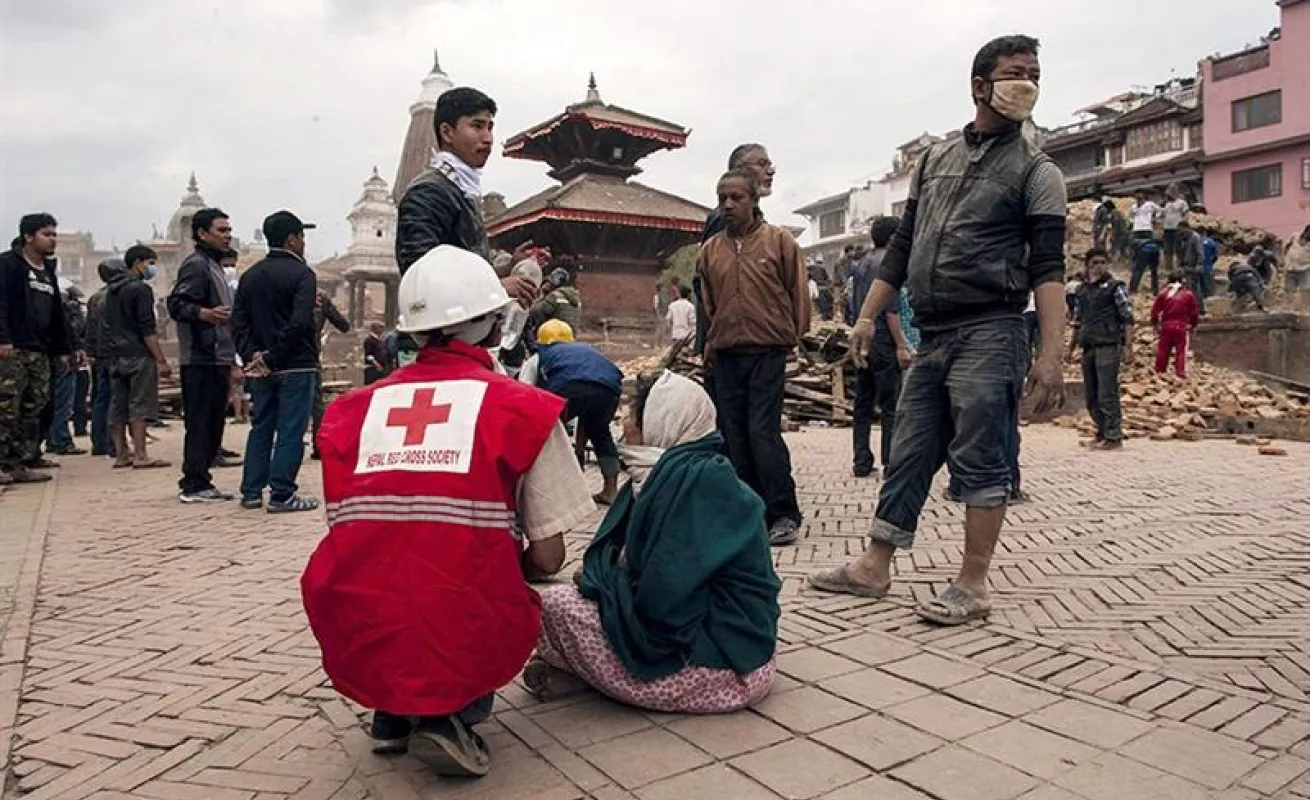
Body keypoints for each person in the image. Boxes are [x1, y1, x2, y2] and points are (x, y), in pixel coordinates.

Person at [301, 245, 593, 778]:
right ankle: (449, 714)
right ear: (490, 322)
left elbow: (354, 530)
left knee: (396, 569)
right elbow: (549, 555)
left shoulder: (349, 412)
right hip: (461, 614)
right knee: (485, 583)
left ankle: (392, 711)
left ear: (411, 330)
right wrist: (512, 570)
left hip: (357, 616)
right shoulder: (522, 409)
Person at [808, 35, 1067, 625]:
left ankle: (972, 584)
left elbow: (1049, 268)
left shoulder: (1037, 170)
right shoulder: (936, 160)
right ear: (980, 86)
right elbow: (902, 248)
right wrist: (868, 316)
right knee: (909, 450)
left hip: (993, 329)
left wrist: (1052, 355)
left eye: (1034, 74)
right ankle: (876, 565)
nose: (1026, 83)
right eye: (1013, 73)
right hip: (934, 334)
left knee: (982, 455)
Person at [524, 370, 781, 711]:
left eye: (632, 416)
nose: (624, 426)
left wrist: (603, 584)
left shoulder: (693, 482)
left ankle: (590, 676)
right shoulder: (676, 473)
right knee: (581, 598)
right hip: (749, 649)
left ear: (661, 420)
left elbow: (663, 607)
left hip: (724, 672)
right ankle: (581, 674)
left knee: (555, 605)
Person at [698, 169, 809, 546]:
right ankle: (749, 511)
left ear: (754, 200)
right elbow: (709, 305)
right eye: (722, 197)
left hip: (768, 351)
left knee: (763, 432)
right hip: (728, 353)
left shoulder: (780, 242)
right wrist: (714, 344)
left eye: (736, 198)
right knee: (733, 435)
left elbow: (798, 293)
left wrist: (794, 337)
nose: (727, 205)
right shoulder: (710, 251)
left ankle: (784, 512)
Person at [231, 211, 321, 513]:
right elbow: (299, 323)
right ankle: (282, 493)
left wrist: (254, 355)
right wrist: (274, 356)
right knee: (291, 429)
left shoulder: (250, 276)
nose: (304, 243)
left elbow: (238, 323)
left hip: (260, 365)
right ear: (291, 239)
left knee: (262, 426)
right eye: (301, 237)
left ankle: (252, 491)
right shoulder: (303, 275)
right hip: (296, 363)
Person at [167, 207, 241, 503]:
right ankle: (194, 483)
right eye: (220, 230)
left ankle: (202, 479)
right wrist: (205, 313)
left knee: (213, 422)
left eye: (228, 229)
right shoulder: (196, 265)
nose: (227, 235)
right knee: (200, 422)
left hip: (218, 356)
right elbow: (177, 304)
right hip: (200, 356)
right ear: (201, 233)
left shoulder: (215, 267)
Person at [0, 213, 76, 486]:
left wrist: (65, 348)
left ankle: (21, 460)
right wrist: (3, 338)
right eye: (47, 234)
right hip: (13, 349)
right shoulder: (8, 265)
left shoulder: (46, 270)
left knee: (35, 406)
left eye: (54, 234)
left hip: (40, 349)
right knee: (7, 406)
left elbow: (57, 314)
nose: (52, 239)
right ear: (28, 237)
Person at [521, 319, 623, 505]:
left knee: (551, 434)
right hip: (609, 388)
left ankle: (557, 490)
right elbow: (591, 384)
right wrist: (579, 448)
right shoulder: (586, 350)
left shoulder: (540, 356)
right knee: (600, 432)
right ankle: (610, 490)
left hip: (568, 388)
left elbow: (524, 390)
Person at [847, 216, 913, 479]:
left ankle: (861, 461)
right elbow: (891, 310)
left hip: (863, 340)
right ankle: (890, 462)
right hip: (884, 339)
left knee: (862, 403)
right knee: (890, 403)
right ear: (894, 237)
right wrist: (901, 345)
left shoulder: (860, 263)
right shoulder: (890, 264)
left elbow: (853, 302)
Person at [103, 244, 172, 469]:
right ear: (138, 263)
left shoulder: (110, 290)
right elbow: (147, 329)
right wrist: (161, 359)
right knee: (139, 405)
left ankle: (122, 453)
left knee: (118, 406)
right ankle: (141, 455)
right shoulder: (140, 289)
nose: (152, 269)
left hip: (115, 355)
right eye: (150, 264)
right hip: (138, 355)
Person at [1067, 248, 1133, 450]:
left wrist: (1129, 347)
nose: (1099, 266)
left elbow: (1128, 318)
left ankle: (1113, 436)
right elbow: (1077, 321)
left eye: (1103, 262)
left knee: (1107, 393)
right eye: (1095, 262)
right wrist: (1070, 348)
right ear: (1087, 265)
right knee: (1092, 395)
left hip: (1108, 345)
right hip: (1089, 346)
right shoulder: (1082, 291)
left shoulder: (1115, 287)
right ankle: (1101, 432)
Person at [85, 257, 124, 458]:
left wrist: (90, 351)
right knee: (115, 399)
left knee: (101, 398)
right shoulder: (116, 295)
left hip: (100, 355)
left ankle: (99, 442)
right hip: (115, 353)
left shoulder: (95, 298)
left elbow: (90, 329)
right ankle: (112, 443)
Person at [46, 282, 87, 456]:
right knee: (63, 402)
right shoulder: (62, 314)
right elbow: (73, 331)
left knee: (55, 402)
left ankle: (53, 440)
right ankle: (60, 441)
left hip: (54, 358)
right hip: (63, 359)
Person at [309, 288, 350, 460]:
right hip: (310, 355)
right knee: (316, 404)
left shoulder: (280, 290)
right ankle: (318, 446)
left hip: (277, 354)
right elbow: (343, 325)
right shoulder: (320, 296)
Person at [1151, 271, 1201, 379]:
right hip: (1181, 326)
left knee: (1163, 350)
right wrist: (1193, 325)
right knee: (1181, 350)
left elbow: (1155, 311)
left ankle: (1160, 372)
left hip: (1166, 326)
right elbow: (1194, 313)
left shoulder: (1163, 293)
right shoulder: (1188, 294)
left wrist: (1155, 324)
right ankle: (1180, 373)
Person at [1128, 192, 1161, 294]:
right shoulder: (1133, 207)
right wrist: (1132, 222)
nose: (1139, 200)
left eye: (1140, 198)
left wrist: (1154, 219)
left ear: (1144, 198)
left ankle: (1151, 288)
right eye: (1137, 199)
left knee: (1142, 264)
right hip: (1136, 229)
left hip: (1147, 229)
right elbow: (1130, 216)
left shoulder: (1150, 205)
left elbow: (1160, 210)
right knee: (1138, 256)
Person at [1176, 221, 1206, 316]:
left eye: (1182, 230)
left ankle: (1199, 309)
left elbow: (1200, 253)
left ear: (1187, 228)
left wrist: (1199, 264)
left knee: (1194, 289)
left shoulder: (1195, 238)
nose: (1181, 233)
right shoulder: (1184, 239)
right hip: (1186, 267)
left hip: (1193, 267)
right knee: (1187, 289)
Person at [1160, 188, 1189, 273]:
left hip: (1176, 229)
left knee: (1178, 249)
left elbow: (1186, 214)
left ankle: (1179, 267)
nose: (1168, 196)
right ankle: (1168, 268)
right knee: (1167, 249)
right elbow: (1162, 214)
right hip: (1167, 229)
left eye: (1169, 194)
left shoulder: (1182, 202)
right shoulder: (1167, 204)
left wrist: (1183, 225)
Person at [1200, 227, 1220, 297]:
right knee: (1209, 286)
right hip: (1207, 266)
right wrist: (1211, 263)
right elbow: (1216, 255)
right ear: (1205, 232)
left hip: (1196, 267)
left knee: (1200, 285)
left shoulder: (1195, 240)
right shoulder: (1211, 241)